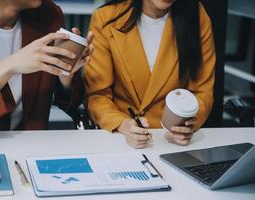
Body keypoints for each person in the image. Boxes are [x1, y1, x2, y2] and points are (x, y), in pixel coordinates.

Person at [84, 0, 216, 148]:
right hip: (120, 138)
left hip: (172, 140)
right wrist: (123, 124)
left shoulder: (197, 15)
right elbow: (97, 96)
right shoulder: (106, 17)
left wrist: (186, 124)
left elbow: (202, 92)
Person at [0, 0, 93, 136]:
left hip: (30, 149)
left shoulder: (49, 14)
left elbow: (70, 101)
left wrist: (65, 75)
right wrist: (9, 66)